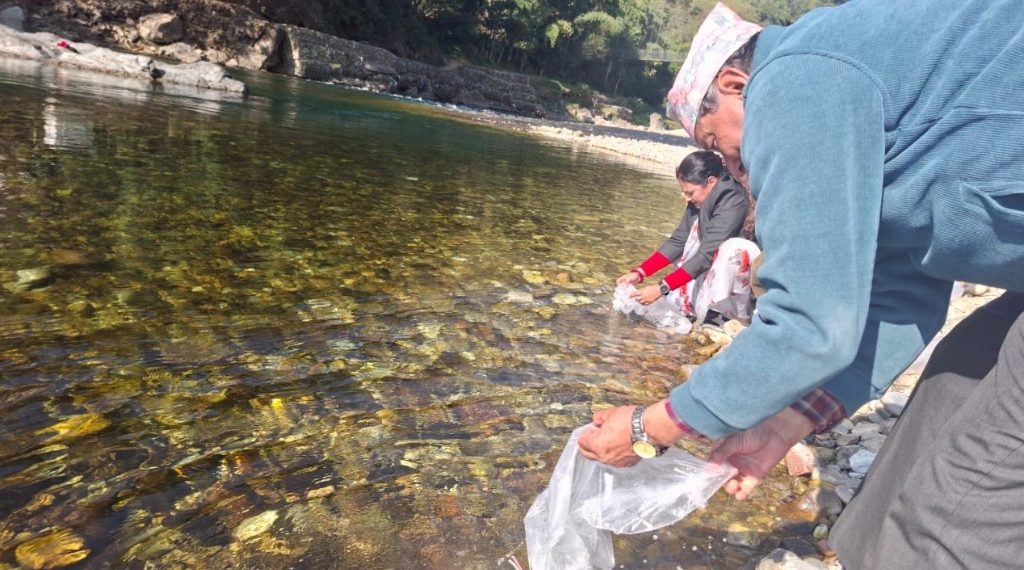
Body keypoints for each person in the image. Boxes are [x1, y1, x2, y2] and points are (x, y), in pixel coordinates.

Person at [577, 1, 1024, 568]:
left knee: (957, 510)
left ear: (737, 83)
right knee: (962, 372)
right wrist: (789, 422)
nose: (735, 169)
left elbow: (812, 324)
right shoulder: (855, 129)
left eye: (719, 145)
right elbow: (901, 301)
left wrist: (651, 425)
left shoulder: (797, 75)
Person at [616, 150, 759, 325]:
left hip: (736, 288)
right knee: (694, 231)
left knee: (735, 249)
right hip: (708, 269)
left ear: (711, 182)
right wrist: (639, 273)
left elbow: (706, 254)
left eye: (690, 192)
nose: (685, 198)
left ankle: (722, 316)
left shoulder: (733, 198)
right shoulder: (701, 199)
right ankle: (691, 307)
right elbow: (679, 239)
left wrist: (661, 288)